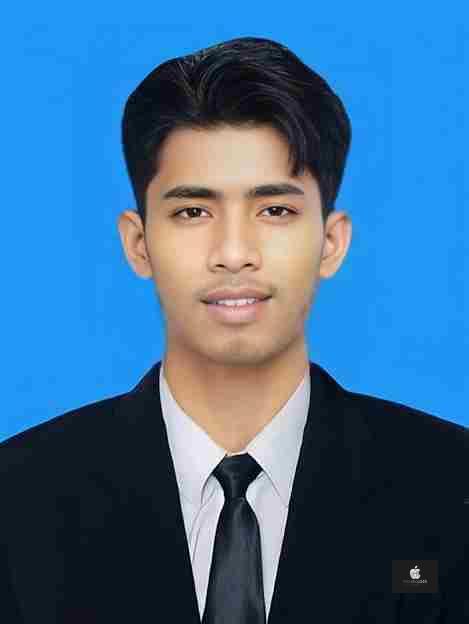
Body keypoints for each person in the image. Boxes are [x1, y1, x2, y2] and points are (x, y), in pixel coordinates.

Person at [1, 36, 467, 623]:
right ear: (138, 243)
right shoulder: (18, 499)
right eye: (192, 211)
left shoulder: (449, 487)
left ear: (331, 241)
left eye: (276, 210)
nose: (233, 252)